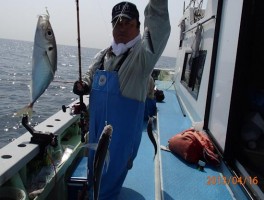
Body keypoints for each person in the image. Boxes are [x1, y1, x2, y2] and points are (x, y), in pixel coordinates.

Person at [73, 1, 170, 199]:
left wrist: (158, 4)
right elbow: (91, 75)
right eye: (117, 23)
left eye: (127, 22)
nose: (122, 27)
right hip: (96, 134)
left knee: (108, 184)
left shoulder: (142, 57)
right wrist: (83, 84)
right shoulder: (104, 55)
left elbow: (158, 28)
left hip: (120, 139)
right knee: (95, 172)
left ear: (138, 26)